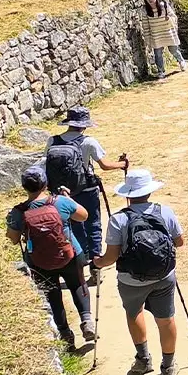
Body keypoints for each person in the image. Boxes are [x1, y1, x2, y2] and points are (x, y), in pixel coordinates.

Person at [91, 168, 185, 375]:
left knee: (134, 313)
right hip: (164, 276)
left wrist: (98, 263)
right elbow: (179, 242)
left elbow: (111, 257)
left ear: (127, 194)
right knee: (166, 318)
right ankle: (169, 367)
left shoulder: (119, 219)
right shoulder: (165, 212)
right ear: (149, 191)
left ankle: (143, 359)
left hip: (130, 280)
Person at [6, 165, 92, 350]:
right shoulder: (60, 201)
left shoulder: (18, 212)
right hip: (70, 254)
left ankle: (65, 335)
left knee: (53, 295)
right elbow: (83, 216)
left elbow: (13, 240)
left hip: (38, 261)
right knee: (78, 285)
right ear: (45, 184)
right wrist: (68, 199)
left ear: (24, 187)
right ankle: (86, 321)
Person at [44, 106, 127, 286]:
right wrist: (122, 164)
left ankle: (78, 266)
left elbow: (46, 166)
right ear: (84, 125)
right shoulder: (88, 142)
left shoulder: (53, 140)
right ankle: (95, 269)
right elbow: (104, 165)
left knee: (71, 228)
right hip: (86, 191)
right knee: (93, 226)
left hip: (62, 193)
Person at [142, 0, 187, 77]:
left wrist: (169, 19)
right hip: (156, 35)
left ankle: (181, 61)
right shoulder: (145, 11)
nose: (150, 0)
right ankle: (161, 71)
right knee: (158, 54)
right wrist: (148, 40)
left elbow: (173, 17)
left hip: (168, 33)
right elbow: (146, 26)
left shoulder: (164, 6)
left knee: (173, 50)